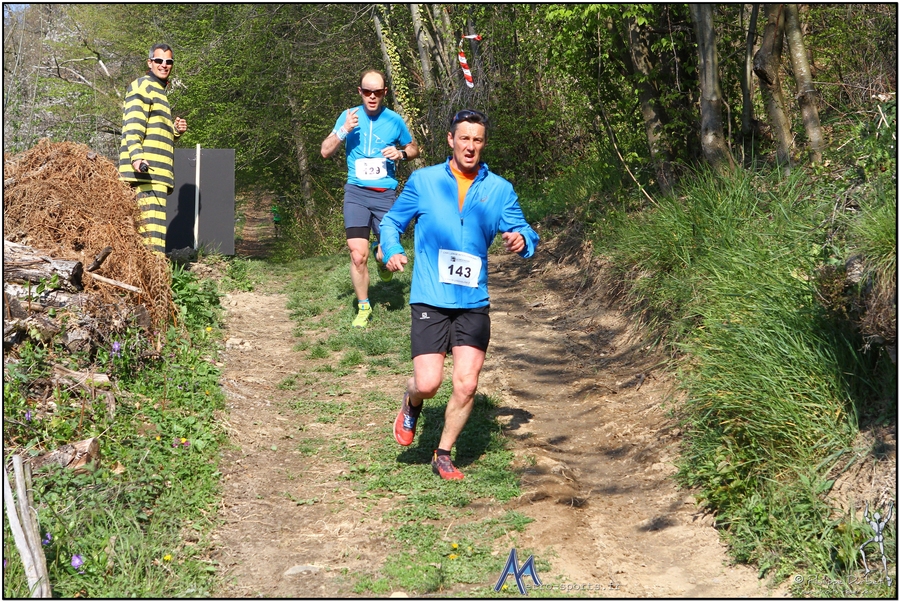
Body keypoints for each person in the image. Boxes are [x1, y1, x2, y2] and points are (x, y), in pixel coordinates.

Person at [379, 109, 540, 480]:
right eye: (464, 138)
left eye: (477, 140)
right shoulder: (424, 181)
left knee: (467, 384)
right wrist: (392, 249)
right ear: (451, 140)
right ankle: (412, 399)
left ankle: (443, 453)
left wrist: (521, 240)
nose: (470, 146)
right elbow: (391, 222)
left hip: (473, 302)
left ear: (484, 144)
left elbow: (525, 231)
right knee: (428, 383)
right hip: (430, 297)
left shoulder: (499, 189)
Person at [320, 69, 420, 328]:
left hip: (385, 194)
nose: (372, 96)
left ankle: (381, 258)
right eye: (367, 91)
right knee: (357, 255)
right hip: (356, 193)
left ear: (385, 92)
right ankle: (364, 307)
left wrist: (401, 154)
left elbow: (414, 148)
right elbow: (325, 151)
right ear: (360, 92)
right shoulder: (348, 116)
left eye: (377, 92)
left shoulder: (394, 120)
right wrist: (344, 130)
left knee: (386, 254)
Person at [118, 43, 187, 255]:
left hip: (156, 175)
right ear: (150, 63)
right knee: (150, 240)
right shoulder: (143, 86)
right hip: (146, 174)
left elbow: (154, 132)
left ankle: (149, 274)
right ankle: (153, 275)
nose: (164, 65)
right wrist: (137, 158)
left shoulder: (159, 92)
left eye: (168, 61)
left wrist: (175, 131)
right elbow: (133, 126)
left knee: (149, 236)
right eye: (159, 60)